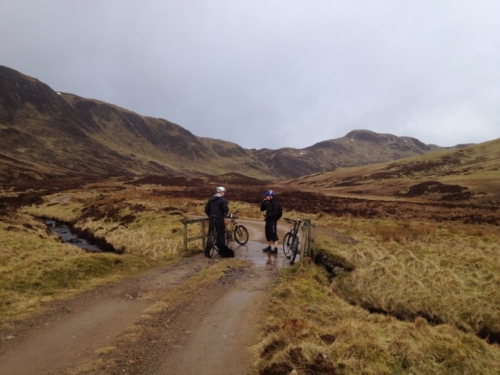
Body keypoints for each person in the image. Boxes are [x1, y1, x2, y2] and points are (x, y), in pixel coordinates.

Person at [204, 186, 229, 258]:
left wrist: (210, 216)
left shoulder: (210, 199)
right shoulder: (222, 200)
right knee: (220, 234)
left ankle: (207, 251)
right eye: (223, 192)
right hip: (219, 219)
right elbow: (225, 210)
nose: (224, 193)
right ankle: (221, 251)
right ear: (221, 192)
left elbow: (206, 210)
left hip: (212, 219)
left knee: (210, 234)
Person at [260, 190, 282, 254]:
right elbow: (262, 209)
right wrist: (263, 202)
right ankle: (269, 247)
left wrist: (269, 216)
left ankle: (275, 248)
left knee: (273, 234)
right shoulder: (268, 202)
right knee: (268, 234)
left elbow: (275, 212)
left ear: (271, 196)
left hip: (272, 221)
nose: (266, 197)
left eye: (267, 196)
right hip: (268, 220)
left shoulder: (275, 203)